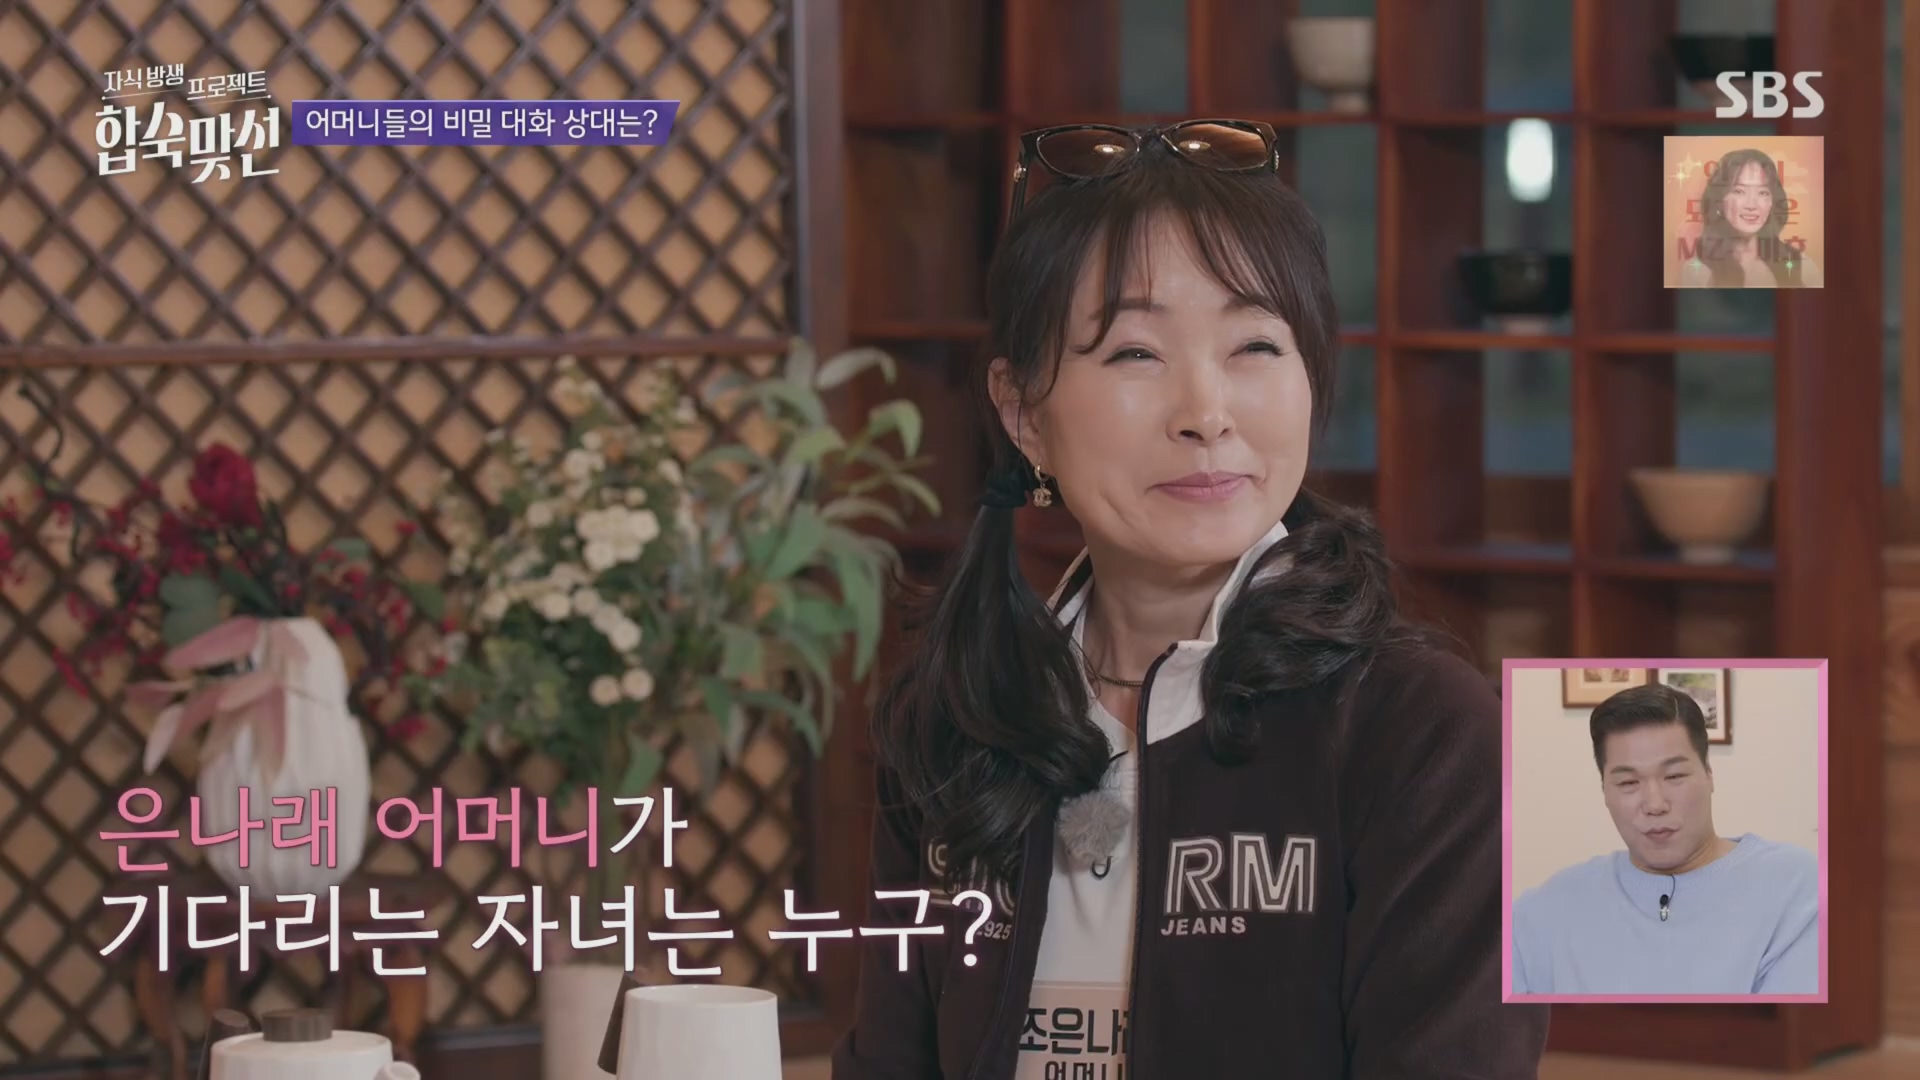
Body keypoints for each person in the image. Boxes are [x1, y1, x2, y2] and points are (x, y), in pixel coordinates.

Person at [830, 119, 1549, 1078]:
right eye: (1135, 353)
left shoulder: (1424, 734)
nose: (1206, 413)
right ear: (1024, 413)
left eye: (1255, 345)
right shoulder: (955, 716)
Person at [1510, 683, 1819, 996]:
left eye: (1674, 777)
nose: (1655, 804)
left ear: (1709, 774)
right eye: (1628, 782)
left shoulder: (1793, 886)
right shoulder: (1545, 912)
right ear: (1604, 791)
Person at [1678, 147, 1823, 288]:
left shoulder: (1802, 266)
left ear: (1772, 202)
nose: (1752, 205)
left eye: (1763, 193)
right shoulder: (1698, 272)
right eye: (1739, 191)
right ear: (1719, 200)